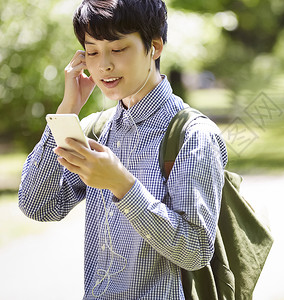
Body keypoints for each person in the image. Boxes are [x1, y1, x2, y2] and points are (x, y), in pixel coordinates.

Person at [18, 0, 228, 299]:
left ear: (154, 47)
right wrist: (66, 114)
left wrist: (123, 186)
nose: (104, 65)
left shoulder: (193, 135)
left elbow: (196, 251)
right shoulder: (98, 129)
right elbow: (38, 206)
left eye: (117, 49)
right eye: (92, 51)